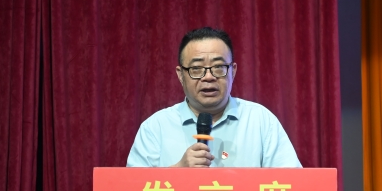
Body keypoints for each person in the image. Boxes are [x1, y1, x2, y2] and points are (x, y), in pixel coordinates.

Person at [126, 27, 302, 168]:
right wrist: (177, 171)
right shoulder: (155, 128)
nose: (208, 77)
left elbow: (292, 186)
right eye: (196, 69)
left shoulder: (260, 121)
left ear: (233, 71)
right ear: (180, 75)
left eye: (218, 67)